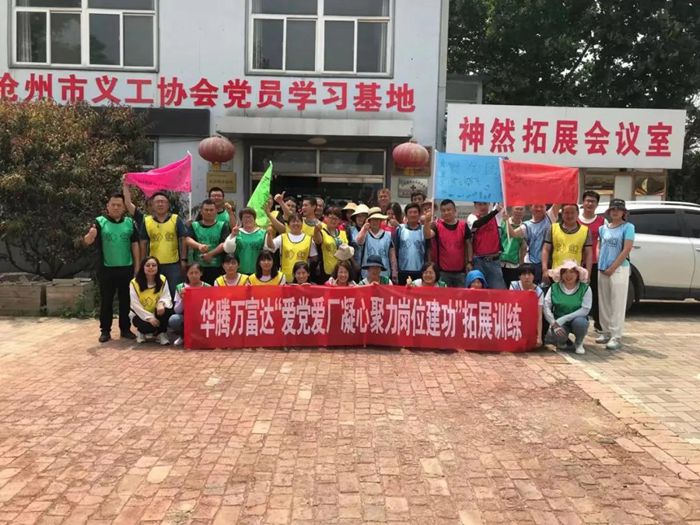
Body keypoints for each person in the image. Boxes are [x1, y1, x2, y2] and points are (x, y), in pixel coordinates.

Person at [83, 192, 140, 343]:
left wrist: (137, 266)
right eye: (113, 205)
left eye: (119, 205)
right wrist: (91, 235)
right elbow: (87, 241)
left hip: (126, 268)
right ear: (107, 206)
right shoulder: (99, 222)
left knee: (125, 301)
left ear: (124, 208)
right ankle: (105, 330)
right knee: (106, 300)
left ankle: (125, 329)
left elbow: (135, 245)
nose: (115, 207)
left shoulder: (129, 223)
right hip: (106, 269)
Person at [596, 199, 635, 350]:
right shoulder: (603, 228)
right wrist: (600, 261)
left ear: (624, 212)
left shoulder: (628, 227)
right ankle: (605, 331)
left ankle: (616, 335)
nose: (615, 212)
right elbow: (599, 246)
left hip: (619, 268)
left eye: (618, 209)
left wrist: (612, 267)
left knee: (617, 302)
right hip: (602, 268)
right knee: (604, 301)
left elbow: (626, 249)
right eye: (613, 209)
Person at [138, 191, 188, 296]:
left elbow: (183, 239)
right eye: (157, 202)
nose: (160, 204)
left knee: (174, 292)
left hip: (173, 264)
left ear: (168, 205)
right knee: (155, 292)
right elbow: (143, 243)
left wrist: (183, 259)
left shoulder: (175, 219)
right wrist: (143, 262)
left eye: (163, 202)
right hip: (153, 265)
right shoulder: (147, 221)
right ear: (152, 205)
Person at [544, 260, 591, 355]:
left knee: (581, 323)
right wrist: (554, 323)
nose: (568, 275)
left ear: (578, 274)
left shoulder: (585, 288)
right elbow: (546, 306)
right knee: (559, 336)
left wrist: (565, 318)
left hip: (577, 319)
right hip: (559, 322)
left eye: (572, 272)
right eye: (565, 272)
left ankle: (579, 343)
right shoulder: (554, 287)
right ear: (561, 275)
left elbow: (585, 309)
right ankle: (561, 342)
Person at [505, 204, 560, 284]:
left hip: (548, 263)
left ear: (546, 208)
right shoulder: (526, 225)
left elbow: (558, 202)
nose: (539, 209)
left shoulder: (550, 217)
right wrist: (506, 220)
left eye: (541, 206)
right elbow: (512, 234)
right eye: (536, 206)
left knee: (544, 289)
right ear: (530, 208)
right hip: (530, 263)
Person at [423, 199, 472, 288]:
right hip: (443, 272)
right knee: (444, 296)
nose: (446, 212)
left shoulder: (463, 226)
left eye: (449, 210)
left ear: (455, 210)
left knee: (460, 296)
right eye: (443, 210)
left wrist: (469, 262)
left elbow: (469, 244)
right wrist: (426, 222)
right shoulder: (437, 225)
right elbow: (427, 235)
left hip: (461, 272)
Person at [542, 204, 593, 286]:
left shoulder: (585, 230)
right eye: (566, 213)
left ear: (578, 214)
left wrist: (588, 274)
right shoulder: (553, 228)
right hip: (556, 274)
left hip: (576, 274)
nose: (569, 216)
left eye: (572, 213)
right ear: (562, 214)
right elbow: (546, 249)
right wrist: (544, 270)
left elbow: (589, 253)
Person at [129, 256, 173, 345]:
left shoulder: (162, 279)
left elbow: (166, 296)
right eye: (148, 265)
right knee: (147, 326)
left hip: (156, 312)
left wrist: (161, 303)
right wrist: (149, 317)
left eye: (154, 265)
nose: (151, 268)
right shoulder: (134, 283)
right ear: (143, 267)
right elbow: (135, 304)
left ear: (158, 267)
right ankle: (141, 332)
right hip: (140, 314)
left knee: (167, 310)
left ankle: (161, 333)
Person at [579, 190, 606, 331]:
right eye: (587, 201)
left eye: (593, 201)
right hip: (577, 263)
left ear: (597, 204)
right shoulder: (575, 219)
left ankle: (598, 323)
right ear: (583, 202)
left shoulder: (602, 222)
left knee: (596, 294)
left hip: (595, 263)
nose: (590, 204)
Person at [186, 199, 229, 285]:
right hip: (198, 268)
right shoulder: (194, 225)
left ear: (216, 211)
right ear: (201, 211)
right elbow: (187, 239)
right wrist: (199, 246)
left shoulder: (222, 225)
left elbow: (224, 243)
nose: (209, 212)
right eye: (206, 210)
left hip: (217, 267)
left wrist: (210, 254)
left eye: (211, 210)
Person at [266, 213, 318, 283]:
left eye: (298, 221)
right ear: (288, 224)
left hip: (301, 278)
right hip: (285, 278)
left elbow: (314, 258)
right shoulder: (282, 237)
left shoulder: (309, 239)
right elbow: (271, 246)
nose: (296, 223)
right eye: (293, 221)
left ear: (302, 224)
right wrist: (269, 234)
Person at [168, 263, 211, 346]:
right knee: (174, 319)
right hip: (186, 317)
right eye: (191, 273)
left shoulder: (208, 287)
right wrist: (182, 299)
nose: (194, 275)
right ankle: (183, 336)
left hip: (203, 317)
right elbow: (177, 310)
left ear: (201, 273)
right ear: (187, 274)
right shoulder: (181, 287)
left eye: (196, 273)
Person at [468, 202, 506, 289]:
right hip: (478, 262)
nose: (483, 207)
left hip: (494, 262)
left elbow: (501, 201)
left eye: (485, 204)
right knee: (478, 292)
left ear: (489, 204)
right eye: (480, 204)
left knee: (498, 292)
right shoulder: (472, 217)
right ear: (475, 205)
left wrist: (496, 210)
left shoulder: (497, 216)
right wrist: (495, 211)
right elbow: (477, 224)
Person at [356, 209, 398, 282]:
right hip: (367, 274)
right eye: (373, 220)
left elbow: (392, 255)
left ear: (380, 221)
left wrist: (394, 271)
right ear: (369, 221)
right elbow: (359, 242)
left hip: (384, 273)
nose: (375, 222)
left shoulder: (388, 235)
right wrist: (364, 228)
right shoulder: (365, 234)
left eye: (377, 220)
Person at [223, 207, 266, 276]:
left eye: (250, 217)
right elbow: (228, 250)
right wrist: (233, 235)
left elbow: (268, 250)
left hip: (258, 272)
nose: (247, 219)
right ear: (241, 220)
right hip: (239, 273)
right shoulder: (236, 232)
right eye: (245, 217)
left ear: (254, 218)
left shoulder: (263, 233)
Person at [509, 264, 544, 346]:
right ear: (519, 276)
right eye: (524, 274)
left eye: (529, 274)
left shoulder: (539, 292)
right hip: (516, 317)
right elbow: (511, 305)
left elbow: (539, 316)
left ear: (533, 276)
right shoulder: (514, 285)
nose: (527, 277)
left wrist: (539, 337)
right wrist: (527, 296)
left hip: (529, 318)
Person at [394, 203, 427, 285]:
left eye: (415, 212)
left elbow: (428, 249)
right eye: (410, 212)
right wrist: (395, 269)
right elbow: (395, 250)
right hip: (403, 270)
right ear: (406, 215)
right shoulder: (400, 229)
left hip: (420, 271)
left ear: (419, 214)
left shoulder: (424, 230)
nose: (413, 215)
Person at [314, 207, 349, 281]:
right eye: (331, 218)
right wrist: (316, 231)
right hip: (326, 271)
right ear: (325, 217)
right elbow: (318, 241)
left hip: (341, 271)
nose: (333, 221)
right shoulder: (321, 232)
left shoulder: (343, 233)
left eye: (336, 219)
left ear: (339, 220)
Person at [499, 206, 526, 286]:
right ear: (512, 210)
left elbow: (523, 248)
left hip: (514, 265)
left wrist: (521, 265)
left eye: (521, 209)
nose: (519, 211)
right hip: (499, 262)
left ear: (524, 212)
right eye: (517, 209)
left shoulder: (524, 227)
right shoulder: (502, 222)